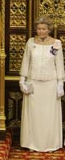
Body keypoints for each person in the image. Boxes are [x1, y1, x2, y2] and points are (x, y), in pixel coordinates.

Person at [19, 16, 65, 152]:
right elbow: (26, 61)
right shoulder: (30, 42)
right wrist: (22, 80)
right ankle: (32, 143)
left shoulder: (56, 43)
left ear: (48, 29)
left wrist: (60, 83)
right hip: (34, 84)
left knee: (49, 115)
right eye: (39, 29)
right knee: (34, 115)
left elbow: (59, 64)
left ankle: (50, 144)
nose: (41, 31)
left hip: (50, 84)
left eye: (44, 29)